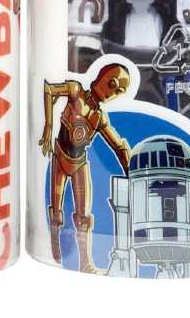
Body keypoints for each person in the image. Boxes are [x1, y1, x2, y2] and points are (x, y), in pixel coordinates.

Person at [40, 62, 132, 274]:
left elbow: (117, 145)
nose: (112, 92)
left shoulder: (98, 117)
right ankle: (53, 251)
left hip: (79, 162)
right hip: (60, 157)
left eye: (119, 91)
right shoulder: (76, 92)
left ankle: (85, 263)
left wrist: (131, 171)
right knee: (56, 213)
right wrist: (48, 126)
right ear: (101, 78)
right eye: (112, 84)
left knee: (84, 216)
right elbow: (49, 89)